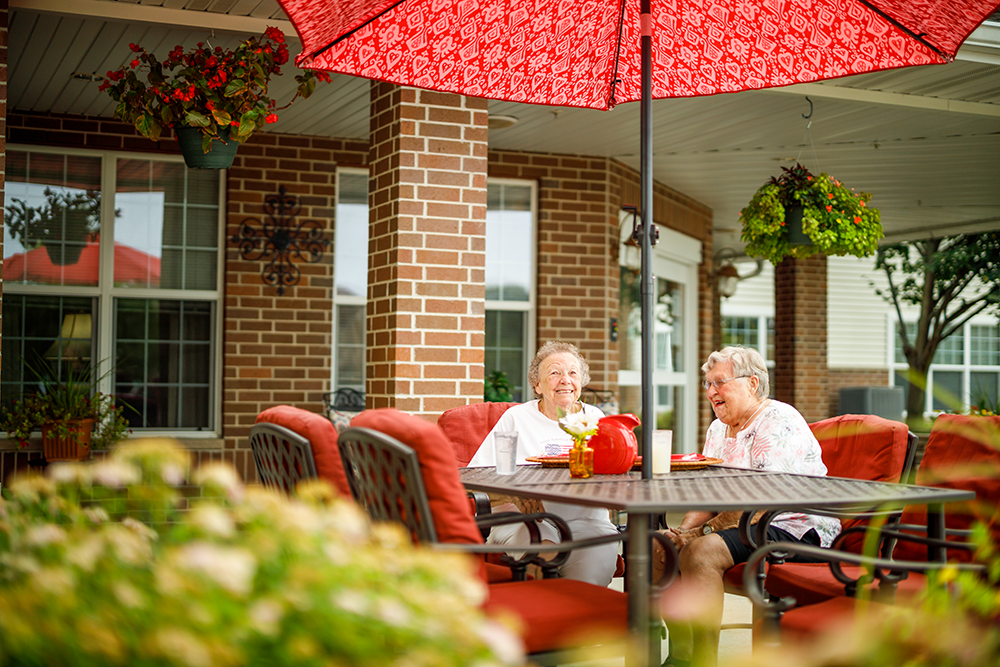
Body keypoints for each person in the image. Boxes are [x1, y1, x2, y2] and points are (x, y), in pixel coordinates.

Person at [655, 345, 840, 667]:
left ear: (752, 383)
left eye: (720, 382)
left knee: (700, 552)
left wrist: (699, 534)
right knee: (659, 546)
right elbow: (707, 495)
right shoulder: (717, 429)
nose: (711, 392)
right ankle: (680, 656)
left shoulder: (777, 419)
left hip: (793, 527)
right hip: (744, 526)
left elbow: (763, 500)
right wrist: (681, 532)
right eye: (708, 384)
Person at [468, 341, 620, 586]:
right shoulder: (516, 418)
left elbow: (614, 475)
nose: (565, 380)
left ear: (581, 382)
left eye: (573, 373)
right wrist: (513, 496)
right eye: (554, 372)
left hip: (587, 520)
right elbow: (475, 479)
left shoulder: (595, 418)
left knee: (590, 579)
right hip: (526, 519)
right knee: (542, 557)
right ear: (537, 385)